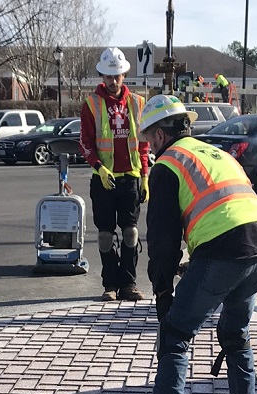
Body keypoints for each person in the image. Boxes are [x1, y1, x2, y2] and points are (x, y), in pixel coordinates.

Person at [112, 95, 257, 394]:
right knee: (235, 333)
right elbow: (225, 209)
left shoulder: (168, 164)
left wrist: (162, 292)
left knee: (175, 335)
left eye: (148, 139)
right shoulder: (216, 153)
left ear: (159, 135)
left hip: (225, 254)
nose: (149, 146)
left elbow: (161, 239)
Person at [79, 47, 151, 302]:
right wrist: (99, 166)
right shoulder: (91, 104)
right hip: (104, 179)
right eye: (108, 76)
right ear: (102, 75)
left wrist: (144, 176)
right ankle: (110, 284)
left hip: (130, 177)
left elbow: (143, 143)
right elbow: (86, 143)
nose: (113, 81)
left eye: (117, 75)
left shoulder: (137, 103)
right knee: (105, 235)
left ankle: (128, 283)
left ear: (124, 75)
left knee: (131, 232)